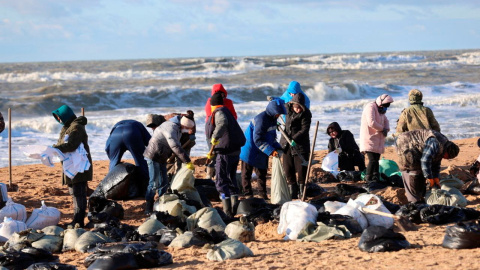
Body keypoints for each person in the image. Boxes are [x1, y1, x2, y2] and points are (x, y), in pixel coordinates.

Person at [143, 115, 195, 214]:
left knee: (164, 182)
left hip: (162, 156)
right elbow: (174, 145)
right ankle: (148, 208)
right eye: (187, 129)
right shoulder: (171, 127)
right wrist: (187, 161)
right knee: (154, 183)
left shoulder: (178, 127)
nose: (187, 131)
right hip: (153, 155)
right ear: (183, 126)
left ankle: (161, 204)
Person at [205, 92, 246, 216]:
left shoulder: (219, 112)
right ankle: (234, 207)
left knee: (221, 181)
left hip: (225, 152)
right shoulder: (227, 111)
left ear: (213, 105)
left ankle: (227, 209)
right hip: (234, 150)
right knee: (231, 178)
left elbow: (222, 123)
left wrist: (215, 137)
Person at [52, 105, 93, 227]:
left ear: (65, 116)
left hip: (79, 166)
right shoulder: (66, 127)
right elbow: (62, 144)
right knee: (73, 193)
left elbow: (71, 145)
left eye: (60, 118)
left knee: (79, 193)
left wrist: (54, 148)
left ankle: (79, 221)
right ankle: (76, 219)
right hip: (70, 165)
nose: (59, 120)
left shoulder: (76, 127)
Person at [240, 98, 286, 200]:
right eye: (278, 114)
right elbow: (258, 139)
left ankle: (263, 195)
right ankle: (248, 194)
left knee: (261, 173)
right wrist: (270, 151)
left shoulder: (273, 120)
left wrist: (278, 148)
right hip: (250, 149)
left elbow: (271, 138)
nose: (279, 116)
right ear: (272, 111)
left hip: (261, 150)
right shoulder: (261, 119)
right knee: (246, 174)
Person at [395, 129, 459, 203]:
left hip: (417, 146)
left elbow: (436, 162)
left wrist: (435, 177)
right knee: (413, 171)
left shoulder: (444, 147)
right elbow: (425, 161)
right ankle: (413, 200)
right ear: (446, 152)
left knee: (422, 170)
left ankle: (421, 195)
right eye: (447, 157)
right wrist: (429, 177)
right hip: (405, 142)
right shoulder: (435, 143)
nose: (445, 158)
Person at [105, 120, 153, 194]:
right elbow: (150, 143)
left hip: (116, 134)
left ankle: (110, 191)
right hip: (132, 132)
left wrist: (112, 158)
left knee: (113, 163)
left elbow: (107, 147)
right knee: (141, 161)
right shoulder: (139, 124)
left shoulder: (116, 125)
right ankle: (144, 190)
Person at [280, 93, 311, 199]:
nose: (299, 110)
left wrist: (294, 139)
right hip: (286, 143)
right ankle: (292, 193)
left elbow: (304, 129)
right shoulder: (287, 107)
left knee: (301, 169)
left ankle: (302, 192)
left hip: (300, 144)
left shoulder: (306, 113)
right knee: (288, 169)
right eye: (297, 108)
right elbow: (276, 108)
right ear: (293, 105)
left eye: (300, 108)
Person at [359, 94, 394, 186]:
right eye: (385, 105)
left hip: (378, 139)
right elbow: (371, 122)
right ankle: (368, 178)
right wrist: (383, 129)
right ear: (380, 102)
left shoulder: (381, 111)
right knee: (372, 160)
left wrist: (387, 128)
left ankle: (376, 178)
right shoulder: (370, 107)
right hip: (369, 138)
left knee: (376, 159)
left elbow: (386, 120)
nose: (385, 108)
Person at [204, 84, 237, 179]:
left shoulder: (228, 102)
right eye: (217, 94)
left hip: (226, 132)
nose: (220, 96)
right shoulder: (210, 102)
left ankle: (220, 175)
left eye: (222, 94)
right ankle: (209, 175)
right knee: (212, 153)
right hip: (211, 131)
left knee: (223, 154)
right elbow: (210, 118)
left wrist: (227, 123)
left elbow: (234, 116)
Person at [164, 111, 196, 177]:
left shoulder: (189, 121)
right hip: (175, 144)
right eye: (187, 128)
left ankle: (179, 176)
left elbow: (192, 131)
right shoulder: (173, 124)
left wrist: (192, 134)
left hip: (186, 143)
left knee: (183, 160)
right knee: (173, 161)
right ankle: (172, 176)